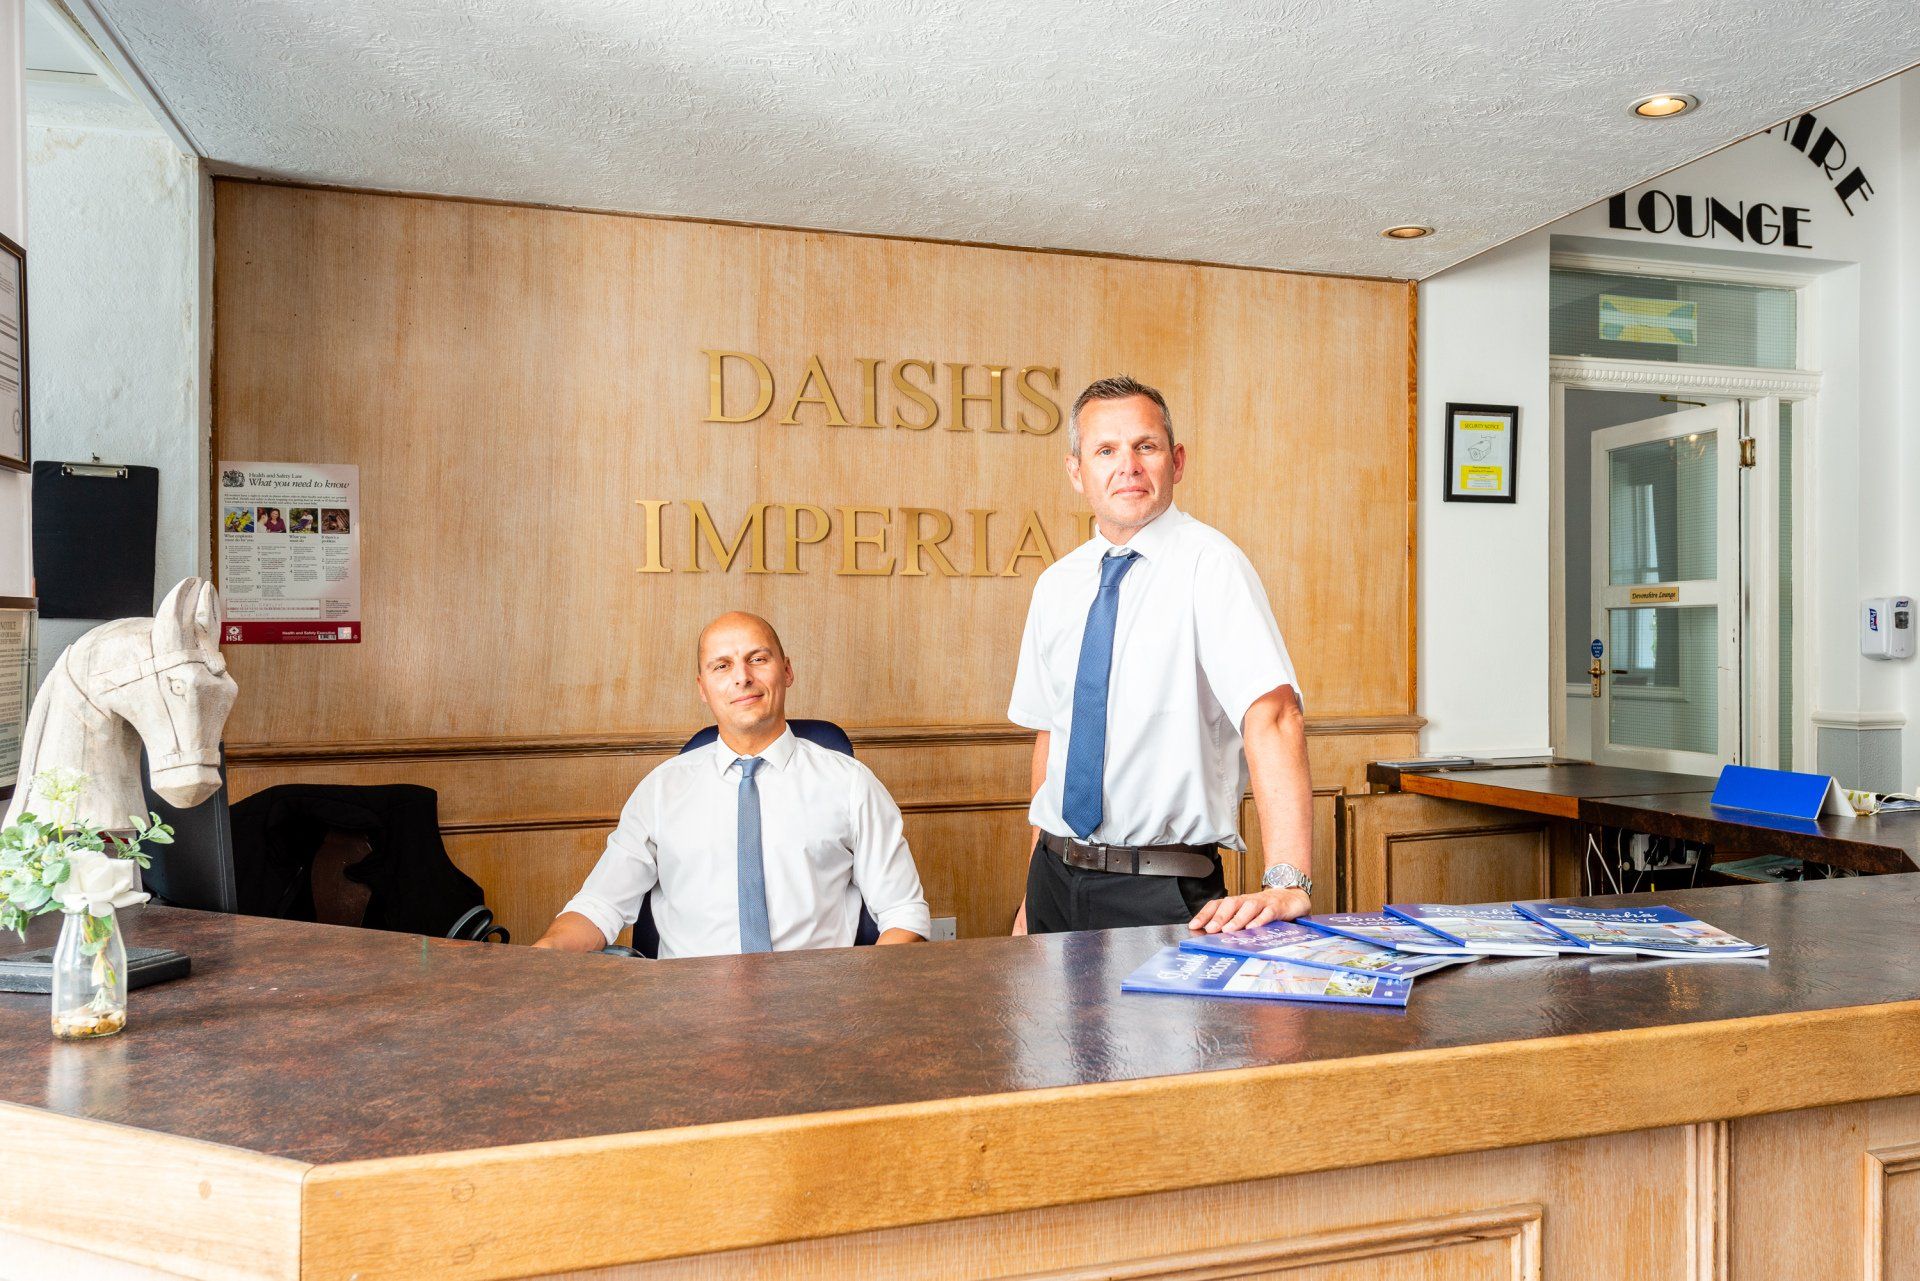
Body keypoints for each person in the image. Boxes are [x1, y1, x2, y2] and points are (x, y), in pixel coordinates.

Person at [1008, 375, 1313, 936]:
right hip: (1053, 876)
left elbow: (1274, 715)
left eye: (1144, 446)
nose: (1127, 466)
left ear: (1177, 461)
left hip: (1162, 889)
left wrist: (1287, 880)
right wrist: (1033, 892)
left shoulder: (1211, 566)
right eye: (1105, 450)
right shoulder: (1057, 585)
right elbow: (1053, 737)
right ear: (1076, 472)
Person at [534, 611, 931, 956]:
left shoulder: (850, 784)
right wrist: (542, 956)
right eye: (721, 666)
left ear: (787, 671)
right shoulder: (660, 790)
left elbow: (903, 913)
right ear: (702, 688)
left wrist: (860, 1001)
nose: (742, 677)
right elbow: (599, 906)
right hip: (689, 1006)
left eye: (757, 659)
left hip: (818, 1002)